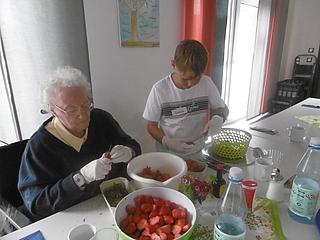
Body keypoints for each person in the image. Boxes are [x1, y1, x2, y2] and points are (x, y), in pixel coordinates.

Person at [18, 66, 141, 220]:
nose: (82, 115)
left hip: (113, 206)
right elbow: (37, 205)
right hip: (74, 217)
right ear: (52, 110)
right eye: (71, 110)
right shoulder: (39, 146)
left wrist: (129, 152)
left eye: (85, 104)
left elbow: (134, 146)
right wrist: (81, 178)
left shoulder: (101, 119)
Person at [143, 39, 228, 156]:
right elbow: (151, 126)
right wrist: (167, 142)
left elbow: (222, 108)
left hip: (198, 150)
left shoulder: (206, 83)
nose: (190, 84)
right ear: (173, 65)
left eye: (196, 78)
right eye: (185, 78)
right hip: (168, 152)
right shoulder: (159, 89)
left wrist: (219, 117)